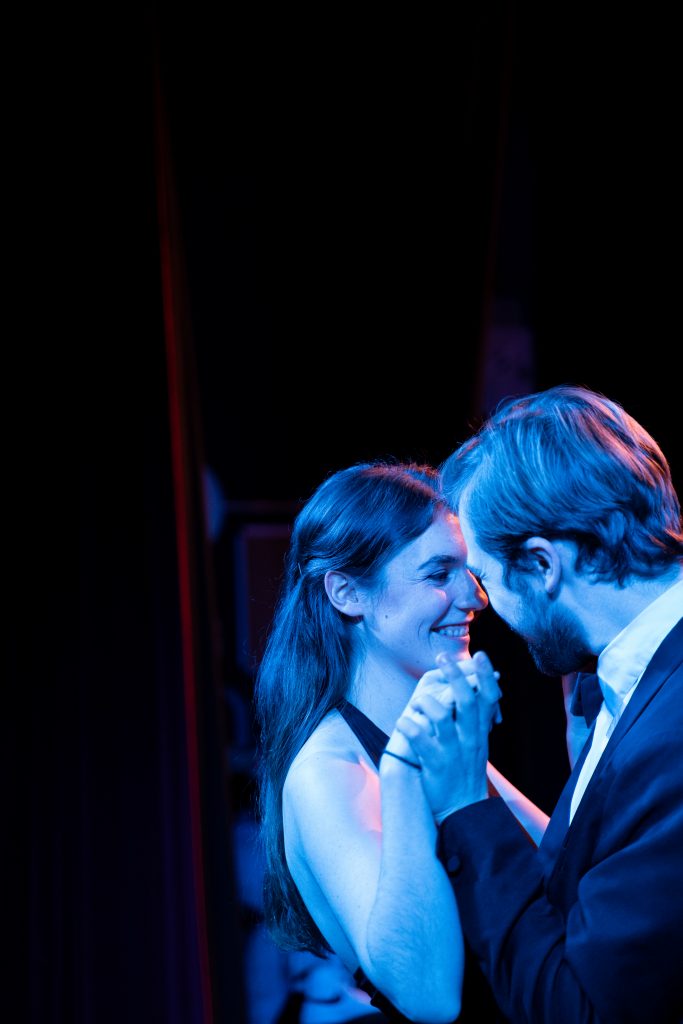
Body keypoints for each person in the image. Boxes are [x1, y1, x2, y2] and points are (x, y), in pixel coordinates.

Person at [395, 384, 683, 1023]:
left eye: (485, 579)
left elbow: (579, 1008)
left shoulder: (673, 729)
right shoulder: (631, 686)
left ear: (542, 565)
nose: (481, 604)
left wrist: (465, 806)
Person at [253, 460, 552, 1023]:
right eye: (439, 574)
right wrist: (404, 776)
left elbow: (566, 877)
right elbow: (429, 995)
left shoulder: (428, 738)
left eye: (469, 570)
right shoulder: (327, 772)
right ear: (347, 592)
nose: (475, 597)